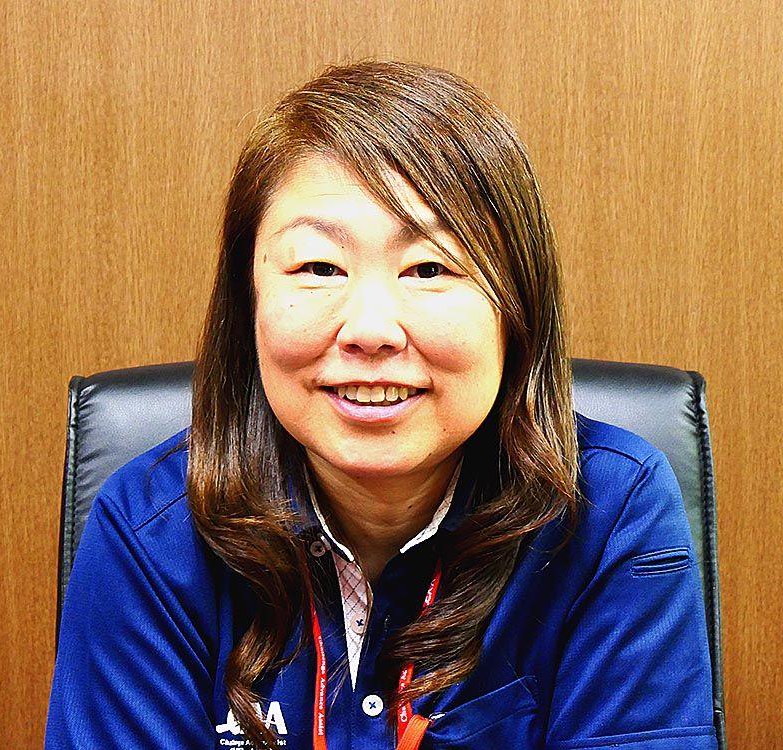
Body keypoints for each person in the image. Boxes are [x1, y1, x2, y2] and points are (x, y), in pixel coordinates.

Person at [45, 60, 716, 750]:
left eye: (429, 268)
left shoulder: (611, 512)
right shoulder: (149, 535)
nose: (370, 330)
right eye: (318, 268)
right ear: (247, 305)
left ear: (517, 309)